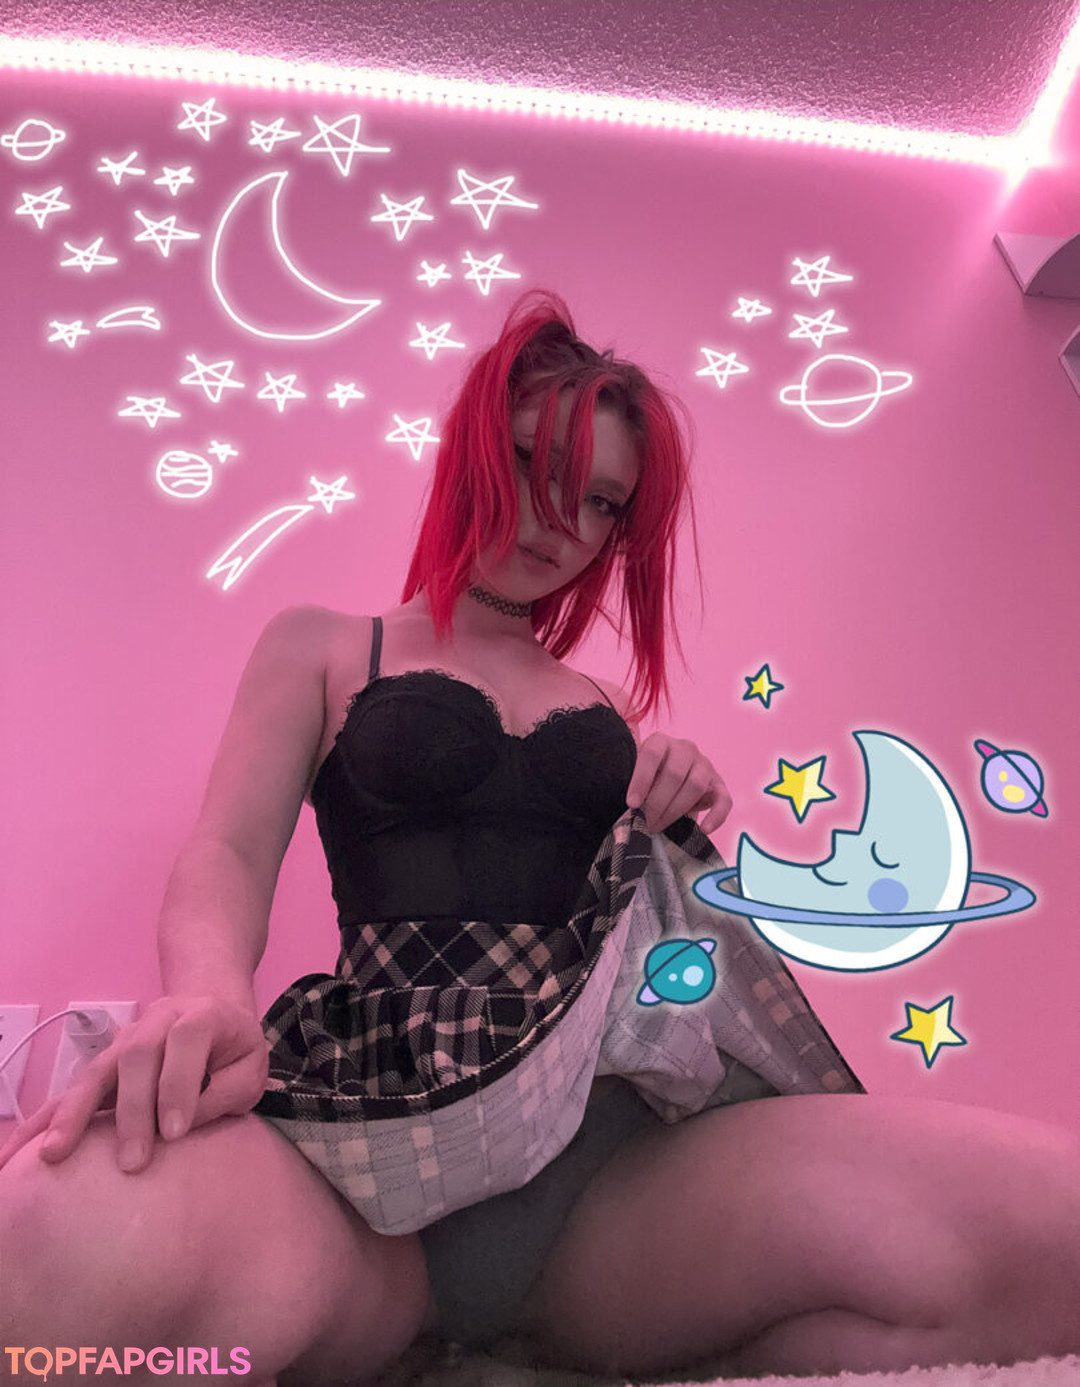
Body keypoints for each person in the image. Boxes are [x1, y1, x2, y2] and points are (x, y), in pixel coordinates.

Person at [2, 290, 1079, 1387]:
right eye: (534, 463)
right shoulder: (322, 645)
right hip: (359, 1157)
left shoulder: (605, 705)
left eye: (603, 500)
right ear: (473, 446)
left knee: (1052, 1227)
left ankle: (556, 1351)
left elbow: (641, 942)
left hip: (601, 1178)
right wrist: (207, 997)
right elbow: (227, 852)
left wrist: (676, 796)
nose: (563, 520)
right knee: (59, 1257)